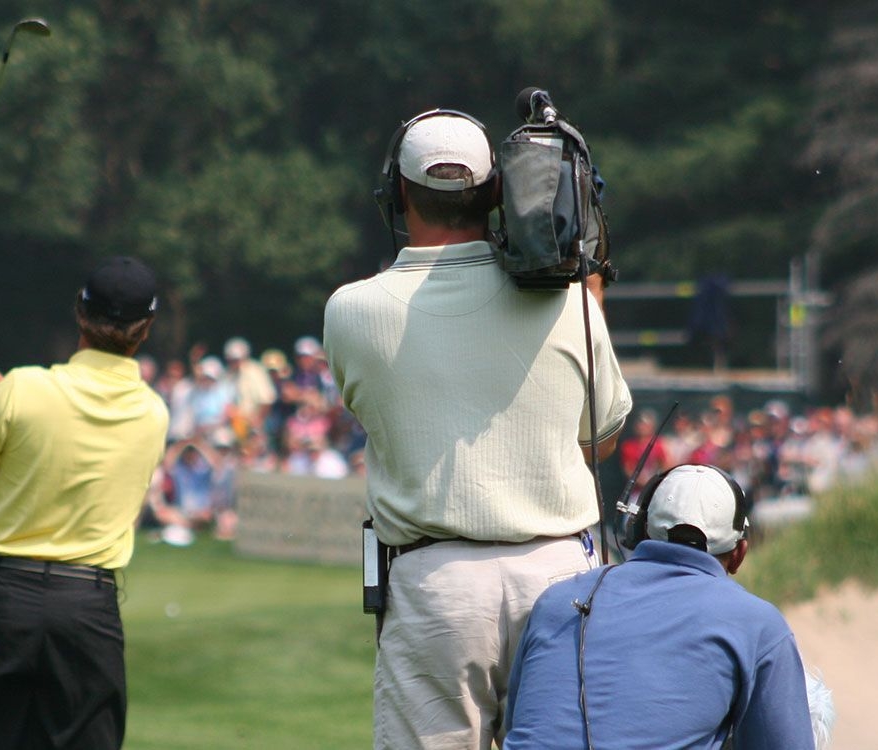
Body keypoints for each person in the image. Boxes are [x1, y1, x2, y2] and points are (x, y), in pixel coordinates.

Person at [324, 109, 631, 749]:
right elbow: (599, 439)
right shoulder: (569, 301)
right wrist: (587, 289)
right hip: (559, 574)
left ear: (397, 192)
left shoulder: (351, 311)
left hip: (434, 581)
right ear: (497, 191)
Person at [0, 256, 169, 750]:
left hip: (1, 602)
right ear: (146, 329)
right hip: (86, 609)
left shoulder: (26, 389)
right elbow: (33, 413)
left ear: (80, 313)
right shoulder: (153, 413)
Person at [503, 464, 815, 749]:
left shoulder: (555, 600)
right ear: (739, 554)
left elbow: (519, 723)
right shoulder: (758, 624)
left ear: (637, 530)